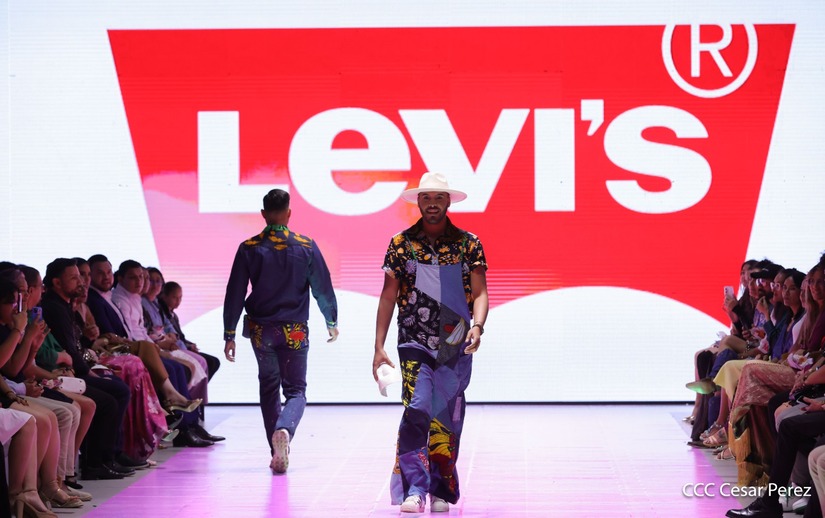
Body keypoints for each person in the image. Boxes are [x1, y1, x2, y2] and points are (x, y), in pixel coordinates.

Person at [372, 172, 489, 513]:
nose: (433, 203)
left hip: (455, 341)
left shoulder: (468, 243)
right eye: (427, 197)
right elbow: (388, 295)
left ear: (448, 201)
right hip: (414, 340)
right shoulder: (401, 243)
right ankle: (414, 489)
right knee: (417, 409)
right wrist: (378, 346)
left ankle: (440, 489)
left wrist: (478, 326)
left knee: (446, 418)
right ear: (419, 202)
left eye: (439, 197)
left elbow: (480, 292)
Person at [223, 188, 339, 474]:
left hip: (261, 330)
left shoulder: (249, 247)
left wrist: (229, 333)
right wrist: (331, 320)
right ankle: (285, 429)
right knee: (296, 390)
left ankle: (275, 449)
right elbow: (322, 286)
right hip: (294, 330)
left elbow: (235, 291)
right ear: (289, 212)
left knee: (268, 388)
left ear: (263, 214)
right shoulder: (305, 245)